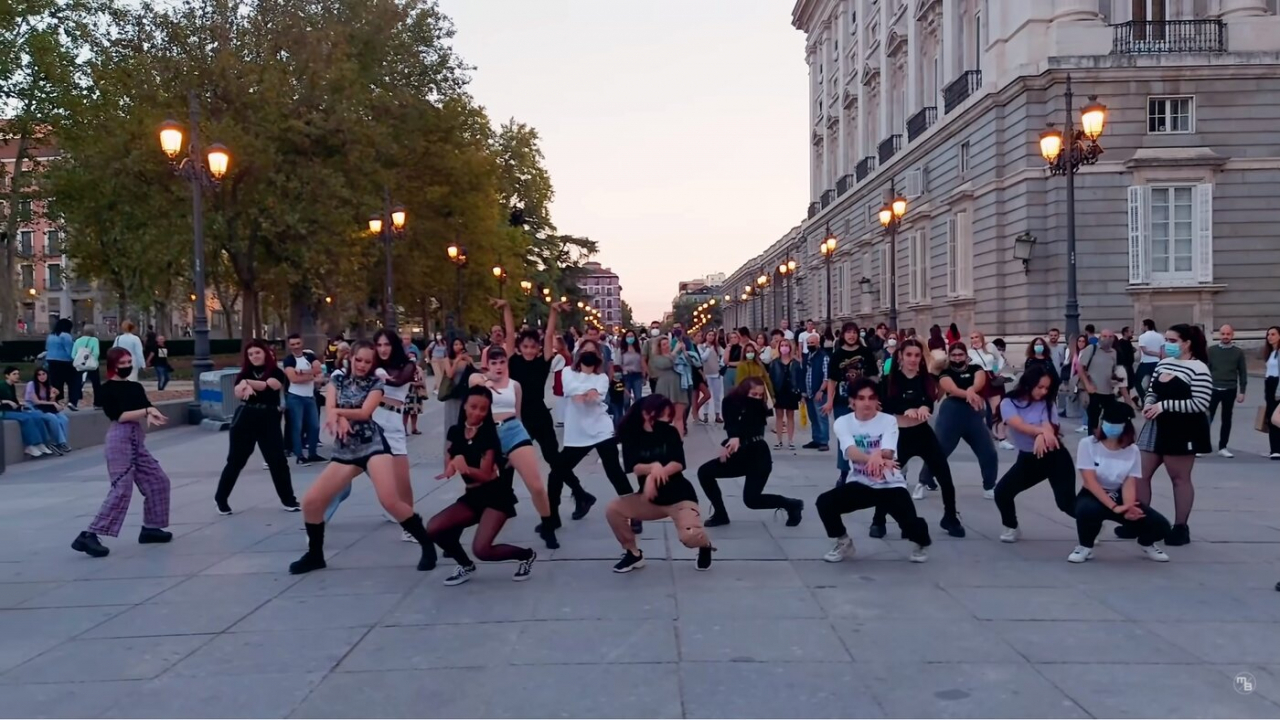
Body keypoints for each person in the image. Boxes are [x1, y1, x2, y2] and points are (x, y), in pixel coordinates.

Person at [288, 341, 436, 575]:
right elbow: (330, 406)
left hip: (373, 446)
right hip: (345, 450)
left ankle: (427, 545)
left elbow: (365, 412)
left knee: (389, 500)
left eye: (368, 362)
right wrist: (337, 416)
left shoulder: (376, 383)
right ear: (351, 358)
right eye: (359, 360)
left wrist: (339, 412)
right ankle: (315, 555)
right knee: (311, 502)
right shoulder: (337, 379)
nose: (362, 365)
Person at [427, 386, 538, 586]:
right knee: (434, 528)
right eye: (473, 407)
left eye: (483, 409)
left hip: (496, 496)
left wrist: (464, 466)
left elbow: (487, 475)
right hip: (472, 496)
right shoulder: (455, 431)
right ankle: (465, 565)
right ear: (464, 406)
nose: (477, 412)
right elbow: (450, 463)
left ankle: (526, 555)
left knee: (482, 550)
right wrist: (453, 462)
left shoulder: (489, 434)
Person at [816, 377, 931, 564]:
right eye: (861, 398)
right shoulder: (843, 422)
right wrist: (873, 457)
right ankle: (844, 542)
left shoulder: (888, 421)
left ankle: (921, 542)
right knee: (824, 503)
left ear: (877, 400)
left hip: (890, 484)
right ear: (852, 402)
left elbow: (888, 452)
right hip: (861, 483)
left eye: (871, 398)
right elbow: (851, 452)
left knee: (911, 526)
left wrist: (880, 455)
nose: (866, 403)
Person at [71, 348, 172, 558]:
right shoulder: (106, 390)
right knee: (122, 489)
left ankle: (151, 528)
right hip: (119, 439)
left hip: (137, 438)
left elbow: (145, 406)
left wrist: (152, 412)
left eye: (129, 362)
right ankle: (89, 535)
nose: (127, 366)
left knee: (158, 480)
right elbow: (120, 415)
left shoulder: (135, 386)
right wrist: (146, 412)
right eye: (122, 363)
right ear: (112, 366)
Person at [1124, 323, 1211, 546]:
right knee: (1140, 475)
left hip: (1182, 429)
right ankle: (1141, 521)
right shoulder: (1163, 363)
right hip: (1156, 426)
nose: (1167, 345)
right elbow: (1153, 389)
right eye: (1167, 340)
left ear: (1187, 343)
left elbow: (1200, 403)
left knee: (1179, 478)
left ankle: (1180, 527)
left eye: (1172, 341)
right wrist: (1149, 403)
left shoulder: (1198, 368)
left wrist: (1165, 406)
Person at [868, 339, 965, 538]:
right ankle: (878, 520)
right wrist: (906, 410)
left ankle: (950, 517)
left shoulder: (926, 379)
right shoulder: (889, 380)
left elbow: (929, 402)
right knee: (889, 479)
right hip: (899, 436)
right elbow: (886, 406)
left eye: (917, 355)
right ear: (901, 356)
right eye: (909, 355)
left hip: (922, 433)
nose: (913, 359)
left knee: (944, 476)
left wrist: (924, 407)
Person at [607, 394, 714, 573]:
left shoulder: (670, 432)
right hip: (650, 499)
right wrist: (652, 468)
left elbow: (678, 463)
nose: (666, 420)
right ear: (647, 413)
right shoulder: (631, 435)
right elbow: (634, 466)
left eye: (668, 416)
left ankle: (705, 545)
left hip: (680, 497)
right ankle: (633, 553)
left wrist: (655, 474)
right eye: (662, 415)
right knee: (613, 509)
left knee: (690, 536)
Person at [468, 345, 558, 548]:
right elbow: (473, 380)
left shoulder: (514, 385)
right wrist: (485, 379)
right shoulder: (480, 383)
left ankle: (548, 526)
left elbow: (517, 414)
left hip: (514, 430)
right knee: (479, 490)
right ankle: (459, 529)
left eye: (502, 362)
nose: (498, 366)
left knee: (535, 485)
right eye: (494, 363)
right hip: (490, 435)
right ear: (487, 365)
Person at [545, 338, 634, 531]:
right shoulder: (568, 372)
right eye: (584, 350)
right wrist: (587, 392)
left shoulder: (601, 378)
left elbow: (598, 395)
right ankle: (551, 517)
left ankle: (634, 513)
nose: (587, 353)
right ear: (578, 353)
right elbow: (569, 389)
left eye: (592, 351)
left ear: (598, 357)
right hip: (577, 433)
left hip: (601, 429)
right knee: (557, 473)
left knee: (614, 472)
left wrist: (589, 393)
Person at [1069, 402, 1171, 563]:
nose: (1112, 427)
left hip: (1119, 495)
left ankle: (1146, 543)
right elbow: (1090, 482)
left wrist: (1129, 506)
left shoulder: (1132, 450)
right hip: (1093, 494)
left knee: (1161, 526)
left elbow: (1129, 482)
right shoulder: (1088, 444)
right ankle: (1085, 546)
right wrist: (1114, 507)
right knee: (1086, 510)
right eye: (1108, 423)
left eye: (1117, 424)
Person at [697, 377, 803, 527]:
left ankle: (792, 504)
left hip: (758, 456)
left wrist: (736, 437)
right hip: (738, 454)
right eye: (754, 394)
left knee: (752, 500)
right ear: (743, 390)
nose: (757, 398)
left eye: (760, 395)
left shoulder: (759, 407)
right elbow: (731, 424)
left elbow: (750, 427)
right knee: (704, 472)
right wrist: (728, 442)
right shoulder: (729, 402)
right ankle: (720, 514)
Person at [992, 364, 1077, 543]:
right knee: (1002, 492)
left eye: (1047, 388)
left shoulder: (1047, 402)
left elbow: (1049, 427)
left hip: (1055, 456)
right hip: (1029, 458)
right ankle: (1011, 527)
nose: (1044, 392)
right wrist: (1040, 433)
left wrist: (1044, 433)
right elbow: (1018, 425)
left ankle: (1094, 523)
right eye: (1040, 387)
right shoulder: (1009, 403)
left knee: (1066, 504)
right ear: (1028, 384)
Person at [214, 339, 298, 514]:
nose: (254, 357)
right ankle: (221, 499)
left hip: (269, 419)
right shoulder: (243, 373)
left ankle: (289, 500)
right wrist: (243, 384)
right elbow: (238, 393)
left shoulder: (276, 371)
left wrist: (248, 383)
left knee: (278, 461)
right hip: (245, 419)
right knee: (236, 461)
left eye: (257, 353)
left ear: (265, 353)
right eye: (250, 354)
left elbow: (270, 385)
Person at [920, 342, 1000, 498]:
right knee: (940, 450)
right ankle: (923, 481)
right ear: (950, 356)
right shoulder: (945, 372)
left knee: (988, 451)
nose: (957, 358)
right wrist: (969, 394)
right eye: (954, 355)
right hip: (952, 412)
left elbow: (979, 381)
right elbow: (951, 389)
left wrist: (972, 389)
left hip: (972, 413)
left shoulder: (975, 368)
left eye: (960, 354)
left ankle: (989, 486)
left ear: (966, 355)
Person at [500, 299, 570, 475]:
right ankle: (505, 499)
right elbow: (509, 332)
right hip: (519, 416)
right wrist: (507, 307)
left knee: (552, 456)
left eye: (533, 347)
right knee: (510, 459)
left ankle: (580, 493)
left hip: (540, 415)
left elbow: (548, 334)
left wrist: (554, 311)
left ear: (538, 348)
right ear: (519, 347)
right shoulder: (513, 361)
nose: (529, 350)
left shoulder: (543, 362)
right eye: (525, 346)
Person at [371, 329, 419, 539]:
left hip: (394, 421)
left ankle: (409, 525)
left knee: (402, 478)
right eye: (379, 345)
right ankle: (317, 519)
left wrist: (380, 376)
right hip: (372, 418)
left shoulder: (407, 364)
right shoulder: (372, 364)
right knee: (344, 476)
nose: (382, 349)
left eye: (386, 345)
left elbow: (399, 381)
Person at [821, 322, 879, 485]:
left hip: (864, 400)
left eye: (854, 332)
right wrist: (830, 401)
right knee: (844, 437)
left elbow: (874, 376)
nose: (851, 335)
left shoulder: (865, 352)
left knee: (864, 436)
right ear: (843, 335)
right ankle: (844, 472)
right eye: (848, 332)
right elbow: (832, 380)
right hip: (842, 401)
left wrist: (875, 398)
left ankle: (865, 468)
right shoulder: (837, 355)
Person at [282, 334, 326, 466]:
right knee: (297, 426)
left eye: (297, 343)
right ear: (289, 346)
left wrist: (301, 371)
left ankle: (312, 453)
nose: (296, 346)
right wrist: (312, 376)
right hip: (295, 397)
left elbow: (318, 369)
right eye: (293, 344)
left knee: (314, 426)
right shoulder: (288, 360)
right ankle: (299, 455)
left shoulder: (309, 356)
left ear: (302, 343)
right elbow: (293, 379)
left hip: (309, 396)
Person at [1206, 324, 1247, 458]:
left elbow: (1242, 372)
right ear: (1219, 335)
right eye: (1223, 334)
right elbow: (1206, 370)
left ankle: (1223, 447)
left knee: (1226, 419)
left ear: (1232, 335)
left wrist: (1242, 391)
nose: (1225, 336)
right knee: (1207, 417)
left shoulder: (1238, 352)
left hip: (1230, 388)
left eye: (1228, 334)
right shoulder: (1211, 351)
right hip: (1213, 388)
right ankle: (1202, 445)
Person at [1, 366, 56, 457]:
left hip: (14, 410)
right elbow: (7, 402)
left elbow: (15, 401)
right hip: (4, 412)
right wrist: (7, 401)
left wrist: (21, 405)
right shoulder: (2, 386)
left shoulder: (12, 386)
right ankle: (31, 445)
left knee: (37, 416)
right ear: (7, 376)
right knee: (26, 419)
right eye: (14, 374)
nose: (17, 376)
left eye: (18, 374)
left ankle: (41, 443)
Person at [968, 330, 1009, 448]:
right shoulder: (969, 353)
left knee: (997, 410)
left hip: (992, 379)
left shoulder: (990, 347)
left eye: (976, 337)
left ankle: (1002, 438)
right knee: (977, 410)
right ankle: (979, 437)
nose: (974, 340)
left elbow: (1000, 359)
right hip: (979, 379)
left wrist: (998, 370)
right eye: (972, 338)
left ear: (981, 338)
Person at [1076, 328, 1120, 435]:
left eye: (1110, 337)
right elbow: (1080, 368)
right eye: (1105, 336)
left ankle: (1105, 439)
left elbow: (1113, 370)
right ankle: (1092, 440)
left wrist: (1117, 380)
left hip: (1108, 391)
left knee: (1110, 418)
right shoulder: (1092, 349)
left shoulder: (1113, 352)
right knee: (1093, 419)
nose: (1107, 339)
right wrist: (1087, 385)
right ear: (1100, 337)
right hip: (1094, 391)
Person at [767, 337, 804, 452]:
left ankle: (791, 440)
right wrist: (771, 394)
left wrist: (802, 394)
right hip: (779, 390)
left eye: (786, 345)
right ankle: (779, 441)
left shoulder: (796, 363)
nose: (784, 348)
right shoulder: (774, 363)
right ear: (779, 348)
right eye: (782, 345)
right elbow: (771, 378)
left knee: (790, 416)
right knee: (779, 416)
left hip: (792, 391)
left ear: (790, 347)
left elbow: (800, 379)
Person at [24, 367, 71, 453]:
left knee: (64, 419)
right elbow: (36, 402)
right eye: (39, 375)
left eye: (43, 374)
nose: (42, 377)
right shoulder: (31, 384)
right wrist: (53, 403)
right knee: (53, 418)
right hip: (34, 407)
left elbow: (50, 402)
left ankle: (62, 443)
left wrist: (53, 397)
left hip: (45, 407)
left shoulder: (48, 386)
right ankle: (60, 442)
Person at [44, 318, 76, 410]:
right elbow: (69, 350)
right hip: (64, 361)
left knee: (56, 382)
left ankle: (56, 400)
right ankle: (72, 401)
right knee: (72, 382)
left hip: (51, 360)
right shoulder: (66, 336)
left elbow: (47, 348)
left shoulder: (51, 336)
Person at [696, 331, 724, 424]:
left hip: (716, 374)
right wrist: (708, 349)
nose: (711, 337)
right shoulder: (701, 347)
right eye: (709, 335)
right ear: (706, 336)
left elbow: (723, 356)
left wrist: (721, 364)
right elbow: (703, 358)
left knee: (717, 396)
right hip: (706, 374)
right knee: (707, 396)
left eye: (713, 335)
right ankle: (705, 415)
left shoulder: (717, 347)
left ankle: (717, 415)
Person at [71, 324, 101, 410]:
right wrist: (92, 360)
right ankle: (97, 403)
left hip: (80, 365)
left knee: (77, 384)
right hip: (92, 366)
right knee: (96, 385)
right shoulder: (94, 340)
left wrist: (80, 361)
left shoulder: (78, 341)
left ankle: (73, 402)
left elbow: (73, 355)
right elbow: (96, 353)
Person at [1263, 326, 1280, 460]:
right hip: (1269, 386)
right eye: (1268, 334)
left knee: (1276, 418)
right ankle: (1275, 449)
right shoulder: (1270, 353)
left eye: (1273, 334)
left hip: (1277, 387)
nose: (1270, 337)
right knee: (1270, 418)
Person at [619, 329, 644, 413]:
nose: (630, 338)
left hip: (637, 376)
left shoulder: (638, 350)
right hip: (626, 377)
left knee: (638, 398)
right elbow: (618, 364)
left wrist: (644, 376)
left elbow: (642, 363)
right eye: (628, 336)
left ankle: (638, 416)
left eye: (632, 336)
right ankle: (627, 415)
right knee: (626, 400)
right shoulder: (621, 350)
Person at [1135, 319, 1163, 394]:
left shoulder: (1142, 337)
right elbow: (1162, 350)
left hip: (1145, 362)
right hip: (1156, 362)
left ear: (1146, 326)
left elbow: (1144, 351)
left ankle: (1143, 398)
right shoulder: (1160, 336)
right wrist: (1159, 355)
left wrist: (1157, 354)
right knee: (1155, 382)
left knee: (1137, 381)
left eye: (1142, 325)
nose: (1141, 327)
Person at [427, 332, 450, 396]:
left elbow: (446, 351)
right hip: (435, 360)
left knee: (442, 375)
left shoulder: (444, 343)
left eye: (440, 334)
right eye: (437, 335)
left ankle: (436, 388)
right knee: (438, 375)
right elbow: (427, 350)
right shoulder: (433, 343)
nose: (438, 336)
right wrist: (428, 359)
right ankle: (439, 389)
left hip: (442, 360)